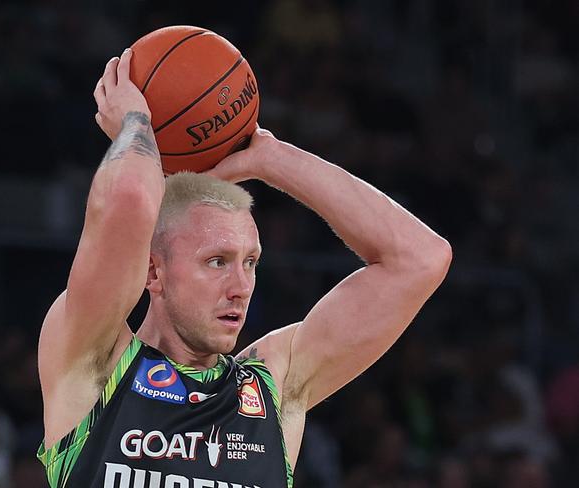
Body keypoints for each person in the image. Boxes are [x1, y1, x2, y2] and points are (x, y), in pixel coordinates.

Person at [36, 48, 452, 488]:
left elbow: (420, 259)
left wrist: (269, 158)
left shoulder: (274, 386)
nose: (241, 286)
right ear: (153, 273)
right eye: (216, 261)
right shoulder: (95, 361)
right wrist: (136, 124)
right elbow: (131, 200)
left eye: (250, 262)